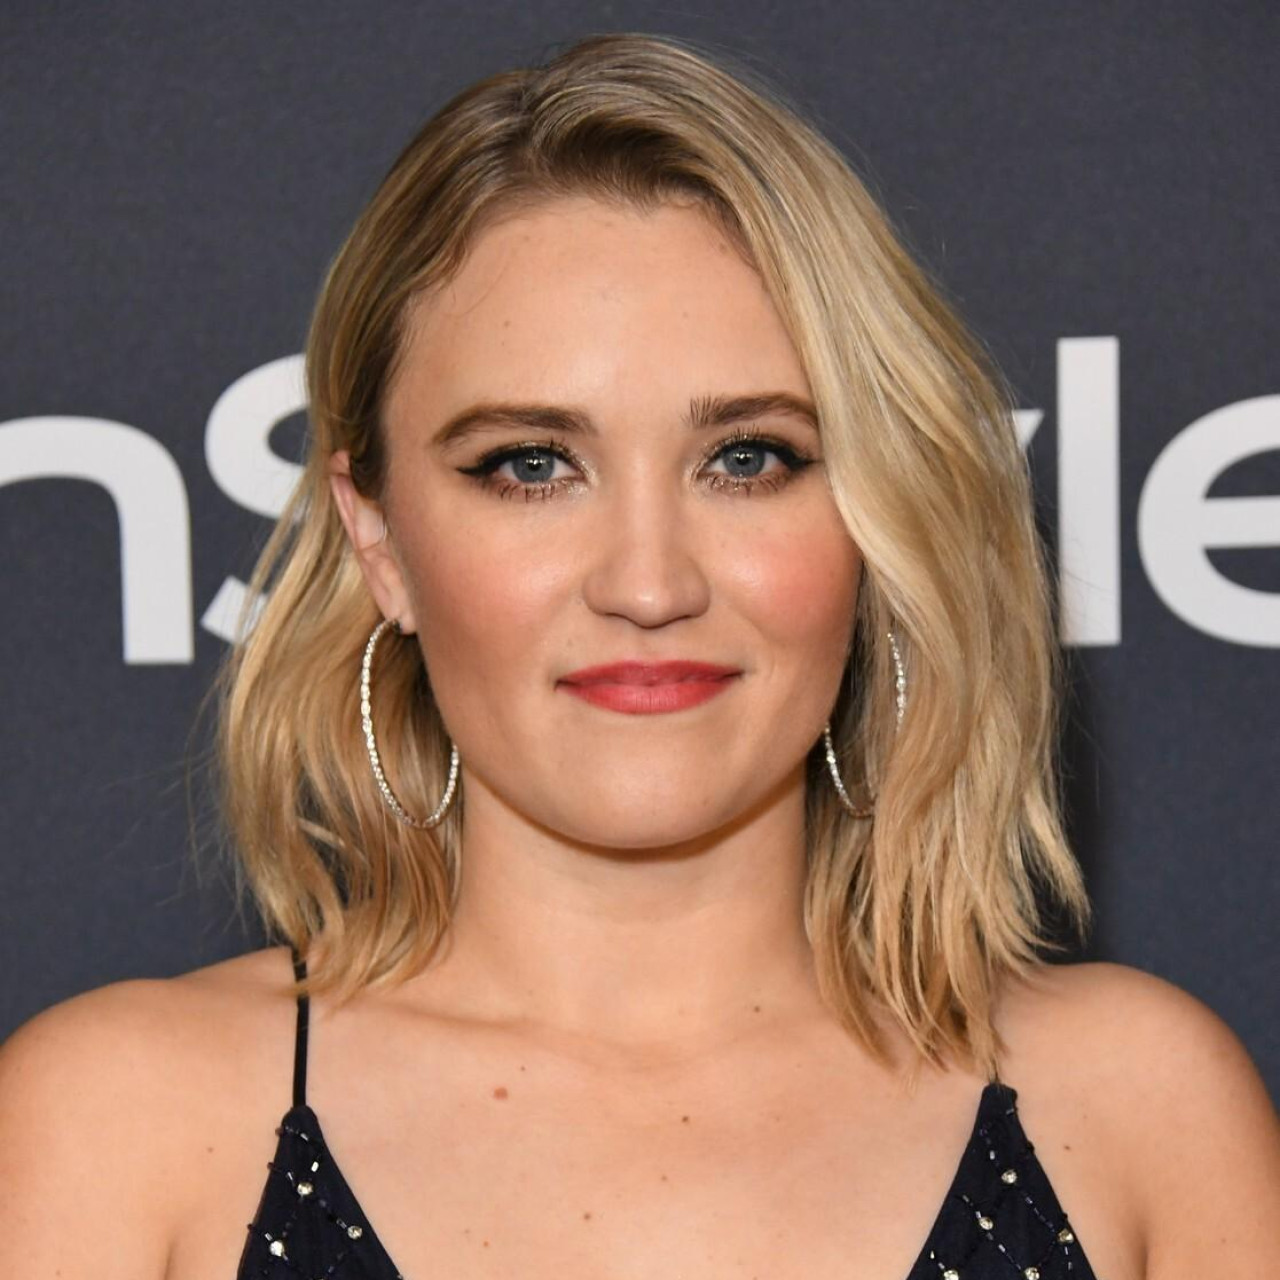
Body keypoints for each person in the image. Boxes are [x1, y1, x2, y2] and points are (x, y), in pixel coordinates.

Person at [1, 30, 1277, 1280]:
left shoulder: (1138, 1114)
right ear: (378, 538)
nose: (649, 584)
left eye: (747, 458)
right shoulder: (122, 1129)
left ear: (878, 515)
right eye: (530, 465)